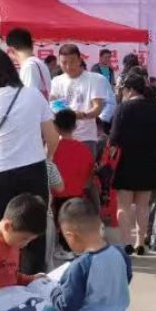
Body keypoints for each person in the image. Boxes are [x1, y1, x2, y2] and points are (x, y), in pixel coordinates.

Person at [0, 48, 59, 277]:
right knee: (33, 232)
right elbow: (53, 138)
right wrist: (45, 158)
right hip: (34, 171)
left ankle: (1, 283)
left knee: (1, 232)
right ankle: (34, 285)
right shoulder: (34, 95)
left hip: (1, 174)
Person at [109, 72, 156, 255]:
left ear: (129, 90)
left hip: (126, 161)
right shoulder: (154, 108)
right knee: (143, 206)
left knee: (124, 206)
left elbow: (114, 136)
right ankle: (140, 243)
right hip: (148, 161)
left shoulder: (123, 108)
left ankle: (126, 242)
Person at [50, 108, 96, 258]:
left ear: (55, 127)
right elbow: (90, 172)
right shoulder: (83, 149)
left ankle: (63, 248)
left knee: (58, 221)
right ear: (75, 127)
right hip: (77, 192)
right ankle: (73, 247)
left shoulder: (52, 149)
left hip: (56, 193)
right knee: (73, 221)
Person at [50, 44, 109, 158]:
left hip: (86, 137)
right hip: (62, 138)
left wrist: (82, 115)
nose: (68, 66)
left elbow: (97, 107)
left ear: (79, 60)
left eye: (72, 61)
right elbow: (53, 105)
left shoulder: (94, 79)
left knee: (86, 167)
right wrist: (67, 115)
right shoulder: (56, 81)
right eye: (64, 62)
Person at [5, 28, 52, 96]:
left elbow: (29, 97)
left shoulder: (29, 67)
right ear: (32, 46)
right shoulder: (40, 63)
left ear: (11, 50)